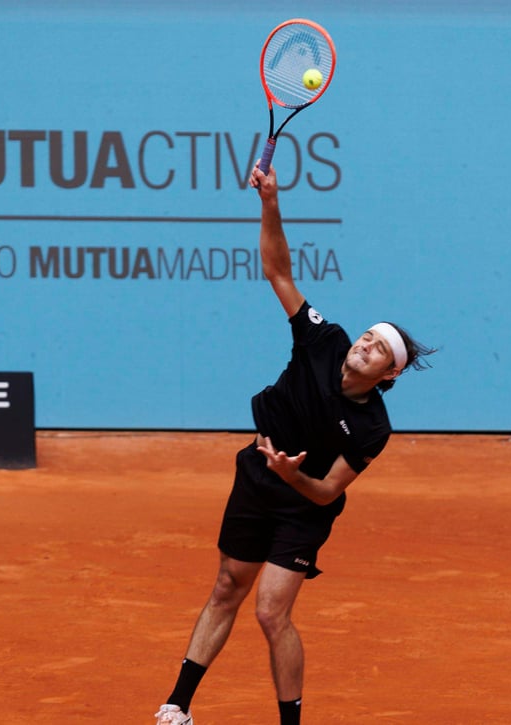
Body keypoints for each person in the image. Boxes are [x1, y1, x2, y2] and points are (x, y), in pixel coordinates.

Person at [153, 166, 435, 725]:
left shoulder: (374, 428)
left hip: (304, 506)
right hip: (257, 476)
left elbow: (328, 491)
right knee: (227, 586)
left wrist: (292, 475)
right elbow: (278, 271)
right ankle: (177, 705)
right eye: (367, 336)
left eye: (379, 349)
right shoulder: (323, 339)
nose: (365, 345)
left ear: (389, 375)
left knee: (270, 612)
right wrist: (271, 201)